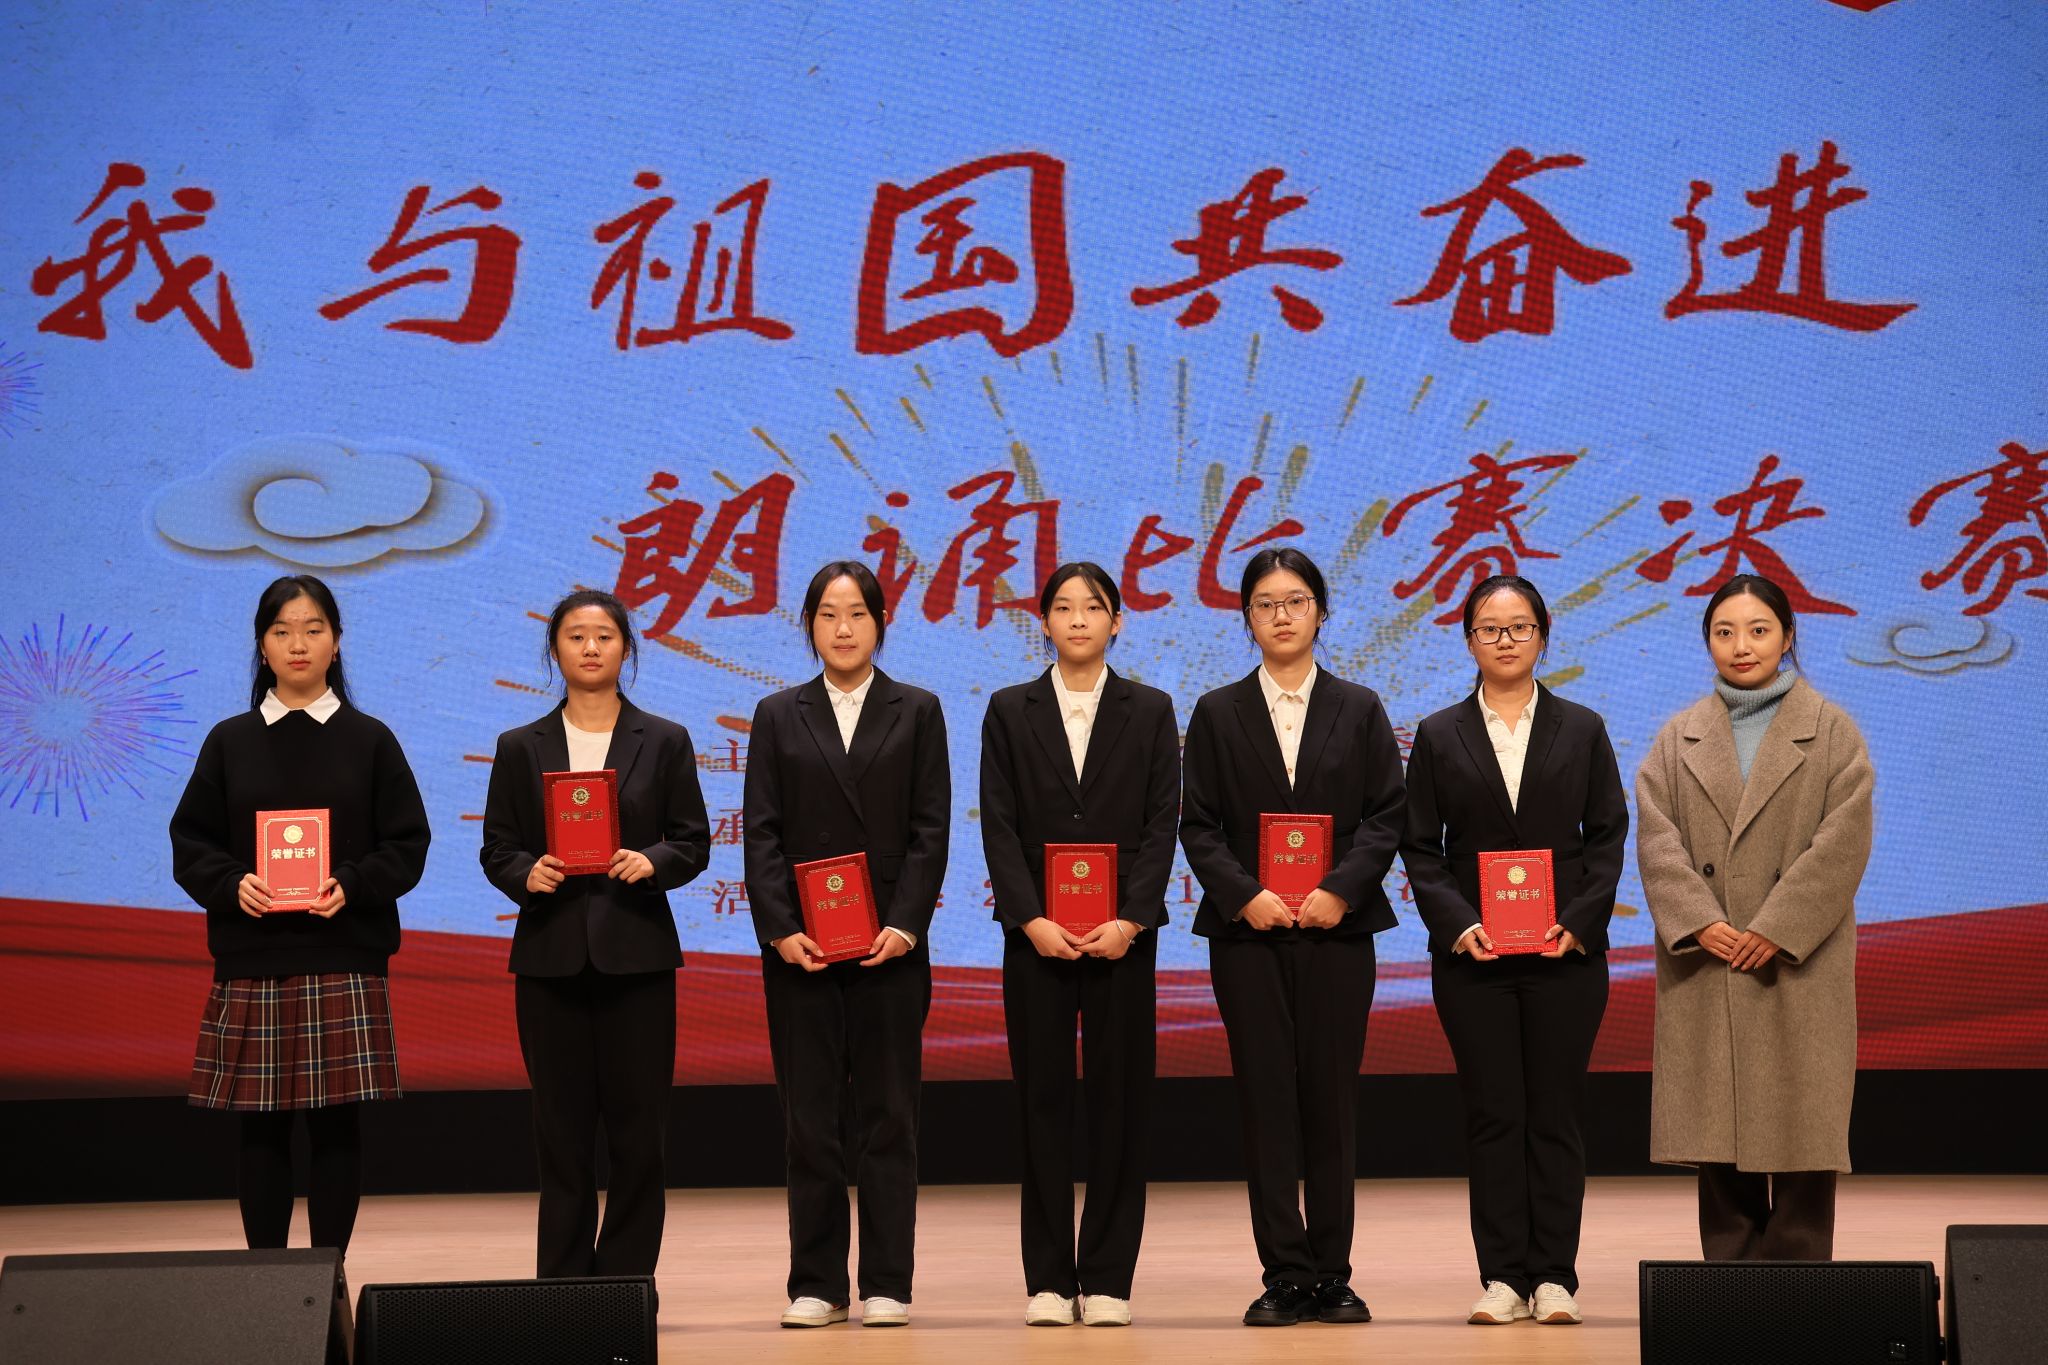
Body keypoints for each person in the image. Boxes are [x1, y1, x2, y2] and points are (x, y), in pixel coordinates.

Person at [1178, 546, 1405, 1327]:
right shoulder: (1217, 711)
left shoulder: (1360, 707)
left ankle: (1333, 1274)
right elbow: (1199, 824)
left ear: (1321, 612)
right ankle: (1284, 1273)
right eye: (1266, 603)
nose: (1282, 614)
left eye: (1297, 600)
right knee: (1266, 1099)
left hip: (1339, 933)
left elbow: (1387, 814)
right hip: (1249, 936)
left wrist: (1341, 889)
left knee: (1332, 1102)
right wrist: (1246, 896)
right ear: (1247, 617)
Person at [171, 574, 429, 1257]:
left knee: (336, 1128)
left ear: (336, 643)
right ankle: (268, 1283)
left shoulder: (370, 739)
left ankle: (326, 1279)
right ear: (262, 645)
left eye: (314, 629)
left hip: (343, 953)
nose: (298, 644)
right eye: (282, 630)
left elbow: (407, 845)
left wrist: (354, 884)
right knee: (260, 1129)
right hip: (254, 958)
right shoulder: (229, 741)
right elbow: (191, 843)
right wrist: (233, 884)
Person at [1401, 575, 1627, 1326]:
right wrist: (1458, 923)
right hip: (1476, 958)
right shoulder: (1439, 733)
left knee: (1555, 1115)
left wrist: (1581, 921)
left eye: (1520, 626)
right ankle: (1502, 1275)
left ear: (1543, 636)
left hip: (1566, 954)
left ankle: (1555, 1275)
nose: (1505, 639)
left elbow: (1608, 835)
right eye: (1490, 628)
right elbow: (1419, 846)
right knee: (1494, 1114)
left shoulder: (1583, 728)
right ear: (1469, 639)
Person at [1637, 573, 1873, 1260]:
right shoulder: (1678, 737)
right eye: (1725, 632)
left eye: (1759, 629)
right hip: (1709, 956)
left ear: (1788, 636)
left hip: (1799, 958)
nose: (1742, 645)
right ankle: (1729, 1290)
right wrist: (1696, 919)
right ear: (1708, 642)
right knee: (1718, 1132)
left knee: (1803, 1131)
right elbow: (1656, 838)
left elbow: (1844, 840)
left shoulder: (1831, 730)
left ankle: (1798, 1290)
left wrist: (1778, 925)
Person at [479, 589, 710, 1280]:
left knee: (640, 1138)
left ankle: (625, 1287)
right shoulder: (519, 746)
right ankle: (563, 1289)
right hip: (549, 961)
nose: (589, 647)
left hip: (637, 959)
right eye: (575, 635)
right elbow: (497, 847)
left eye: (604, 636)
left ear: (626, 649)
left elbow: (692, 841)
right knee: (561, 1138)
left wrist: (653, 860)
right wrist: (527, 872)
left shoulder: (663, 739)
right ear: (554, 649)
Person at [743, 561, 950, 1329]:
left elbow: (931, 828)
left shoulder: (917, 709)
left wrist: (905, 922)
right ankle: (818, 1280)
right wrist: (779, 928)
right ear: (809, 625)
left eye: (857, 612)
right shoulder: (778, 713)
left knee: (890, 1116)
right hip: (802, 949)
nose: (842, 627)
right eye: (828, 614)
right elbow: (760, 831)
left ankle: (888, 1279)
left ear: (880, 622)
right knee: (810, 1120)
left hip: (890, 946)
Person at [980, 562, 1180, 1328]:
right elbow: (999, 824)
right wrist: (1029, 918)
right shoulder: (1010, 709)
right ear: (1045, 622)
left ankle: (1108, 1278)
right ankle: (1047, 1279)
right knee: (1042, 1103)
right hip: (1037, 938)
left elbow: (1162, 824)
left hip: (1122, 938)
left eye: (1092, 608)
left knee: (1120, 1105)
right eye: (1062, 608)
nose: (1077, 620)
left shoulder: (1150, 709)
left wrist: (1131, 919)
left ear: (1116, 621)